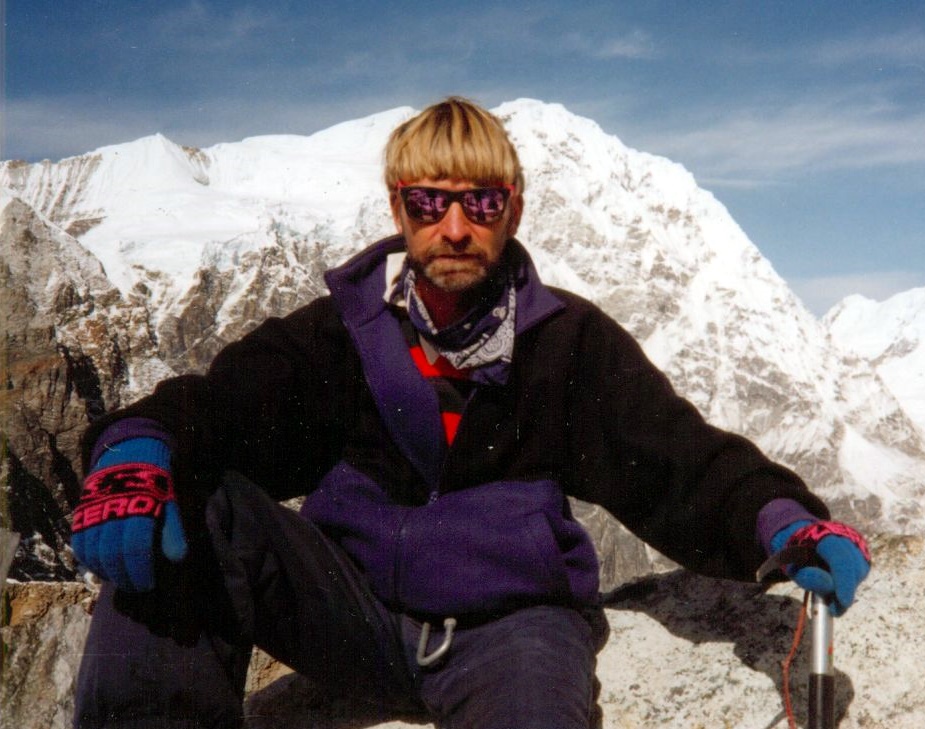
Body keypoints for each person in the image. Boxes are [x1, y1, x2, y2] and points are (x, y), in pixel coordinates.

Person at [70, 97, 870, 729]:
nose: (454, 227)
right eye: (430, 201)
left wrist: (781, 519)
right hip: (353, 618)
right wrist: (138, 444)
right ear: (398, 208)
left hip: (513, 632)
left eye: (480, 203)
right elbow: (223, 406)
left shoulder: (565, 343)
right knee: (187, 497)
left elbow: (674, 457)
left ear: (512, 211)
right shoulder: (342, 334)